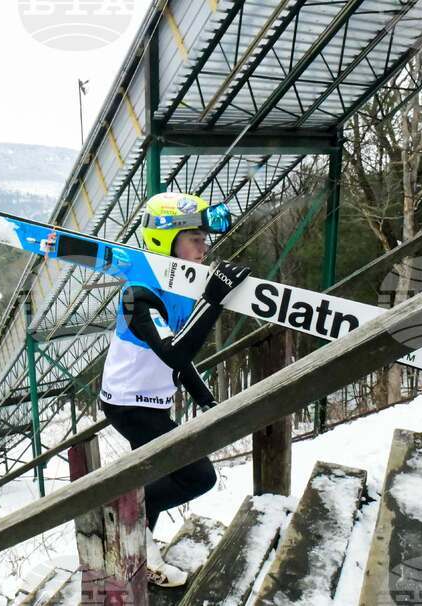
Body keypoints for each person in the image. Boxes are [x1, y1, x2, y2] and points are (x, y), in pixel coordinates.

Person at [99, 192, 249, 588]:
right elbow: (173, 352)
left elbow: (181, 359)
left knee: (161, 473)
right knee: (197, 475)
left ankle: (138, 540)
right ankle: (127, 519)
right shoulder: (138, 293)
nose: (204, 249)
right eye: (195, 239)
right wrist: (214, 299)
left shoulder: (180, 289)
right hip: (129, 405)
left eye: (205, 240)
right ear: (167, 240)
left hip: (153, 401)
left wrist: (206, 398)